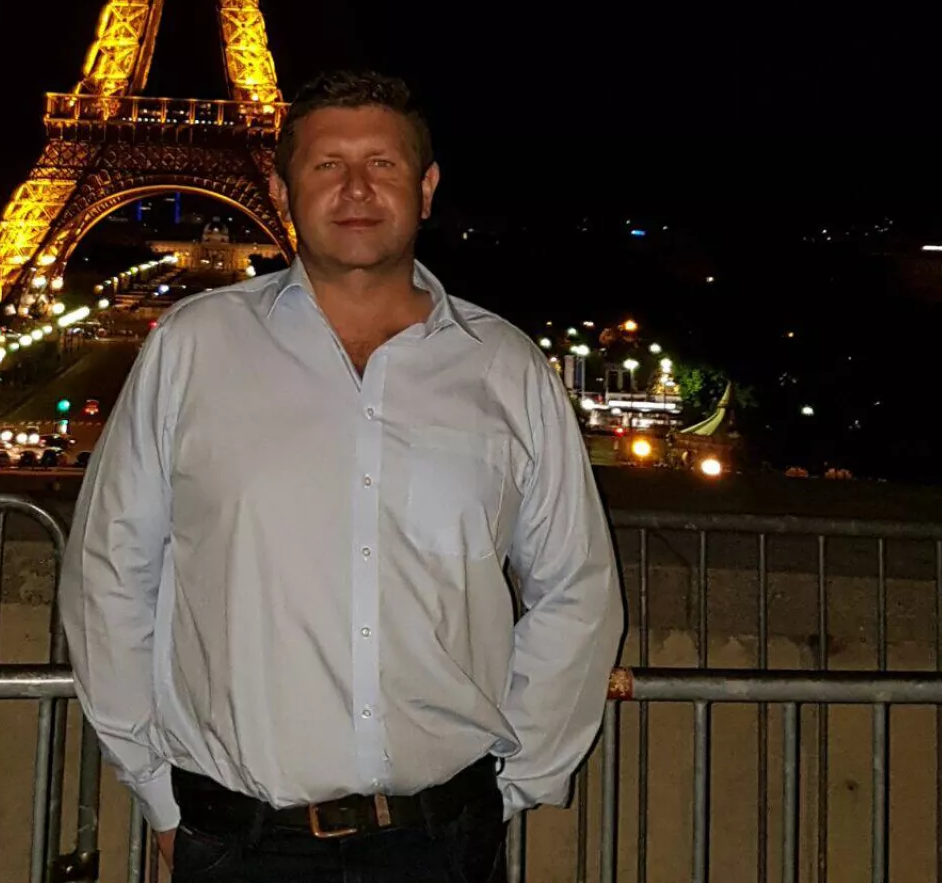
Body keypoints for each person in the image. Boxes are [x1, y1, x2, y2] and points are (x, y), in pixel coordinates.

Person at [60, 70, 622, 881]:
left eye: (382, 164)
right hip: (243, 841)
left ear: (426, 188)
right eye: (327, 164)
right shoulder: (192, 348)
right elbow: (109, 572)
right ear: (282, 189)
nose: (356, 187)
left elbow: (575, 584)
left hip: (445, 840)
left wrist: (515, 783)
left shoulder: (506, 367)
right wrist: (157, 792)